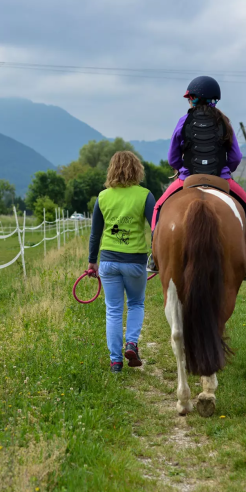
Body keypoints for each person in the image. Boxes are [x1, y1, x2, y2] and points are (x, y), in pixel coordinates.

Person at [147, 75, 246, 281]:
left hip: (187, 178)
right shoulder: (225, 122)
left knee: (158, 208)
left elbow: (172, 156)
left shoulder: (184, 121)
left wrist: (182, 170)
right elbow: (235, 157)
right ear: (214, 99)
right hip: (221, 179)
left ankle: (153, 258)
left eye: (190, 98)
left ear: (194, 99)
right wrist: (226, 172)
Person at [88, 151, 156, 373]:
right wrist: (157, 256)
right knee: (136, 303)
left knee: (114, 310)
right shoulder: (145, 195)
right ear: (137, 169)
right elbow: (157, 229)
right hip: (135, 262)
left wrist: (92, 262)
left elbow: (95, 234)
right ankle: (132, 344)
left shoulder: (103, 196)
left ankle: (115, 361)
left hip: (108, 262)